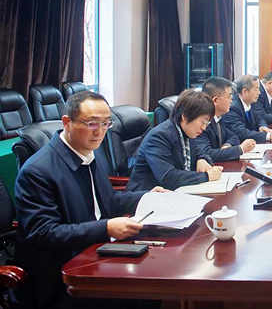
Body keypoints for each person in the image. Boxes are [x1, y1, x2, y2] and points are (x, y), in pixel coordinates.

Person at [13, 91, 165, 309]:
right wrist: (106, 227)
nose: (100, 132)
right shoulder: (38, 171)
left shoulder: (87, 152)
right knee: (146, 291)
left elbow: (107, 202)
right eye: (92, 124)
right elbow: (44, 234)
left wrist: (147, 197)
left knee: (155, 277)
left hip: (96, 253)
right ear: (67, 123)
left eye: (106, 123)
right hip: (62, 276)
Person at [127, 89, 224, 191]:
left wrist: (202, 159)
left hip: (175, 192)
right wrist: (206, 176)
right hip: (147, 195)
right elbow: (168, 177)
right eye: (203, 122)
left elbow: (200, 152)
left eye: (207, 123)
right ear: (185, 116)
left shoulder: (187, 132)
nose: (204, 128)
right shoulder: (159, 137)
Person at [194, 77, 256, 162]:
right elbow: (206, 153)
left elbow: (233, 136)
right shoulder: (201, 123)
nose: (231, 101)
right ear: (215, 100)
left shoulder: (219, 117)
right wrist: (240, 149)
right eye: (229, 97)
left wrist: (227, 145)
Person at [223, 75, 272, 143]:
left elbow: (259, 118)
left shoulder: (250, 103)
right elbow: (242, 133)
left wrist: (262, 126)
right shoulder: (233, 108)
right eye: (256, 89)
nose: (259, 93)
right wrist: (269, 136)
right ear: (245, 91)